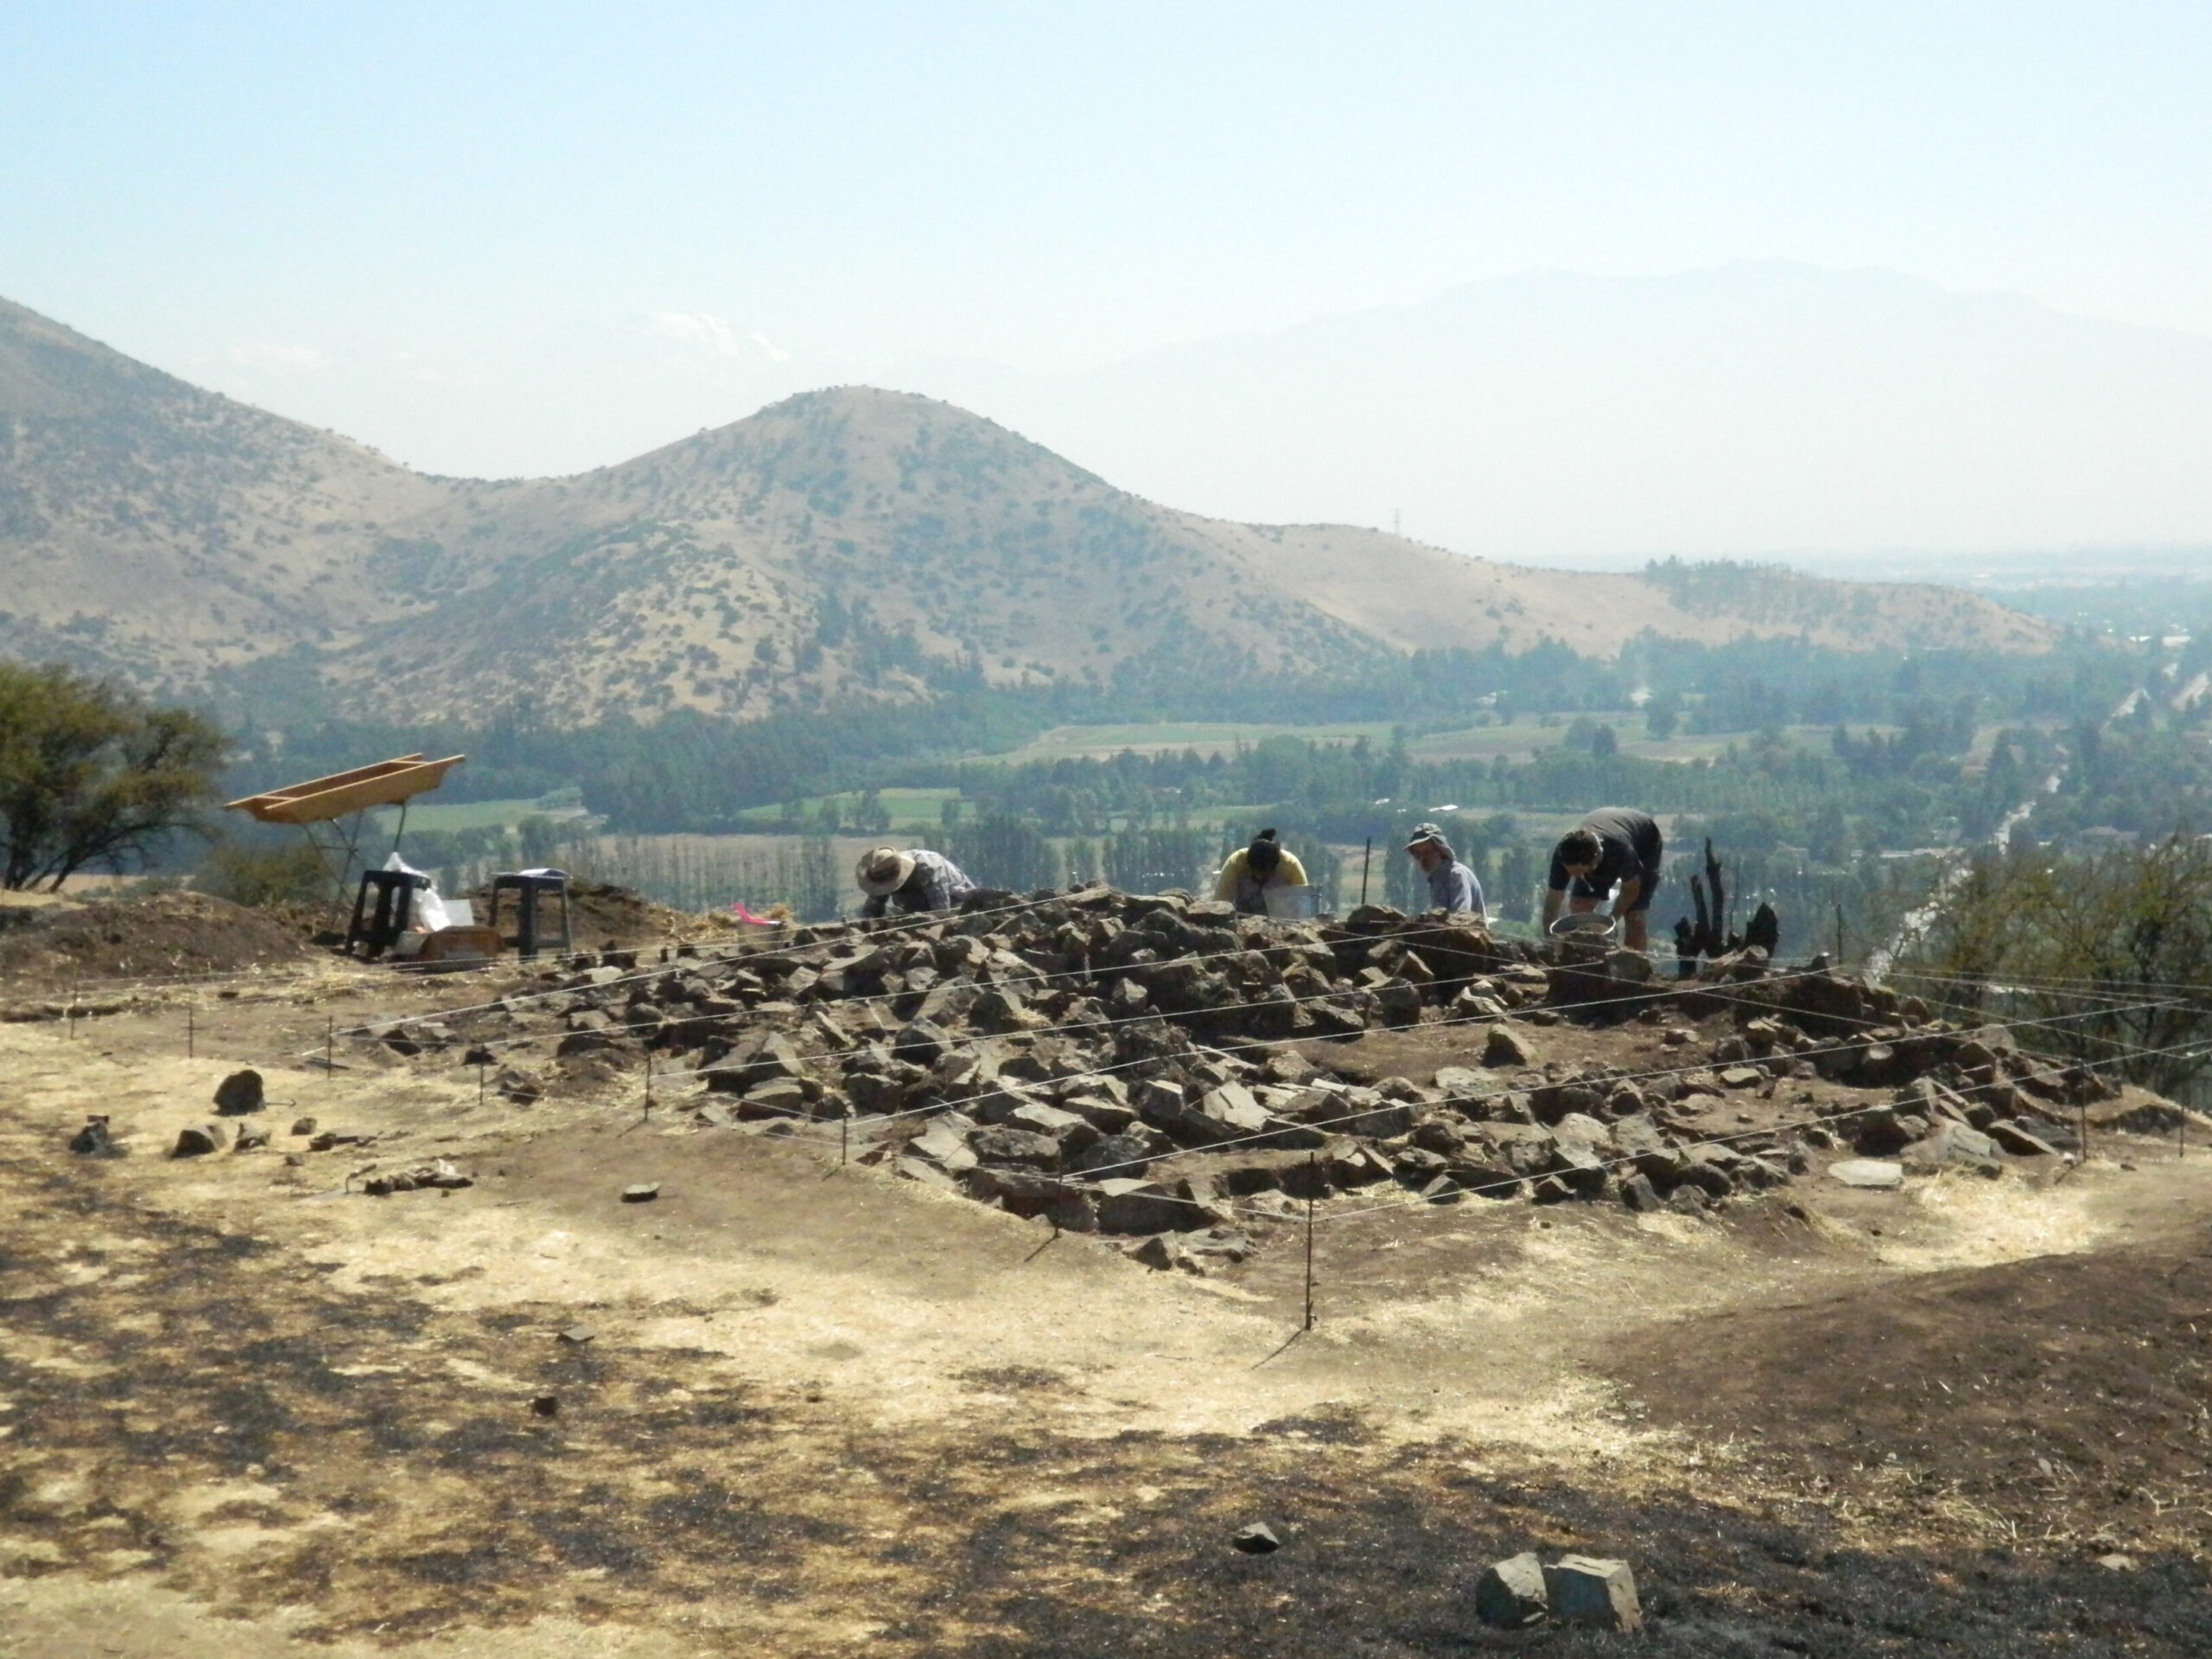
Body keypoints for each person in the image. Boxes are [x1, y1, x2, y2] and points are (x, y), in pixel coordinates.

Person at [1544, 807, 1663, 952]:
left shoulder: (1621, 850)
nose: (1576, 877)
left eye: (1580, 873)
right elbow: (1553, 900)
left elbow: (1631, 889)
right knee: (1580, 907)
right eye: (1572, 874)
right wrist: (1549, 940)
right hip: (1601, 840)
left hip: (1644, 841)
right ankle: (1587, 956)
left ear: (1593, 863)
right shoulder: (1563, 853)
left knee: (1634, 915)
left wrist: (1612, 919)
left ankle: (1634, 964)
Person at [854, 846, 976, 918]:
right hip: (915, 909)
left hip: (959, 906)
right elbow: (871, 910)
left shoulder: (929, 869)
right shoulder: (882, 868)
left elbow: (942, 914)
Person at [1214, 827, 1309, 914]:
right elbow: (1220, 903)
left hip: (1282, 922)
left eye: (1265, 875)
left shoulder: (1291, 866)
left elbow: (1304, 908)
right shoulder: (1236, 862)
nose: (1259, 878)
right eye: (1256, 873)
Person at [1404, 822, 1484, 917]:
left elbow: (1462, 917)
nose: (1422, 859)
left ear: (1441, 850)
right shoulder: (1436, 880)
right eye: (1417, 854)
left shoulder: (1457, 875)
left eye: (1427, 852)